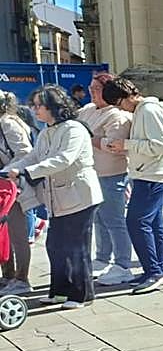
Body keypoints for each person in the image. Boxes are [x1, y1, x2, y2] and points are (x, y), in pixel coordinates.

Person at [1, 86, 102, 309]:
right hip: (58, 199)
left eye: (39, 105)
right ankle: (59, 291)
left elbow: (63, 159)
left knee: (77, 247)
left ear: (53, 106)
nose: (35, 110)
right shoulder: (47, 131)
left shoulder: (73, 129)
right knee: (55, 245)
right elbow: (32, 157)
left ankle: (82, 294)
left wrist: (26, 172)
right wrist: (12, 169)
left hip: (80, 195)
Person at [101, 78, 163, 294]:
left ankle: (155, 272)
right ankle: (156, 269)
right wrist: (127, 148)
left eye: (118, 103)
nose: (119, 109)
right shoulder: (145, 110)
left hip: (152, 173)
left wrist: (126, 144)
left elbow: (159, 145)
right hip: (152, 171)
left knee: (136, 221)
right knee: (153, 223)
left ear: (125, 97)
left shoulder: (148, 110)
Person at [76, 72, 135, 287]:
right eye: (90, 88)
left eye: (97, 89)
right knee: (99, 220)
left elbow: (114, 145)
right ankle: (102, 257)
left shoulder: (117, 115)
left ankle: (123, 264)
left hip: (112, 174)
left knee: (114, 220)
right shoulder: (87, 110)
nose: (92, 92)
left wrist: (88, 138)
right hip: (91, 173)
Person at [0, 91, 33, 294]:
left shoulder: (8, 123)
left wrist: (3, 173)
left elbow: (25, 153)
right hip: (5, 185)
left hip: (15, 186)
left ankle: (22, 279)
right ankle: (9, 276)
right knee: (5, 233)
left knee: (17, 234)